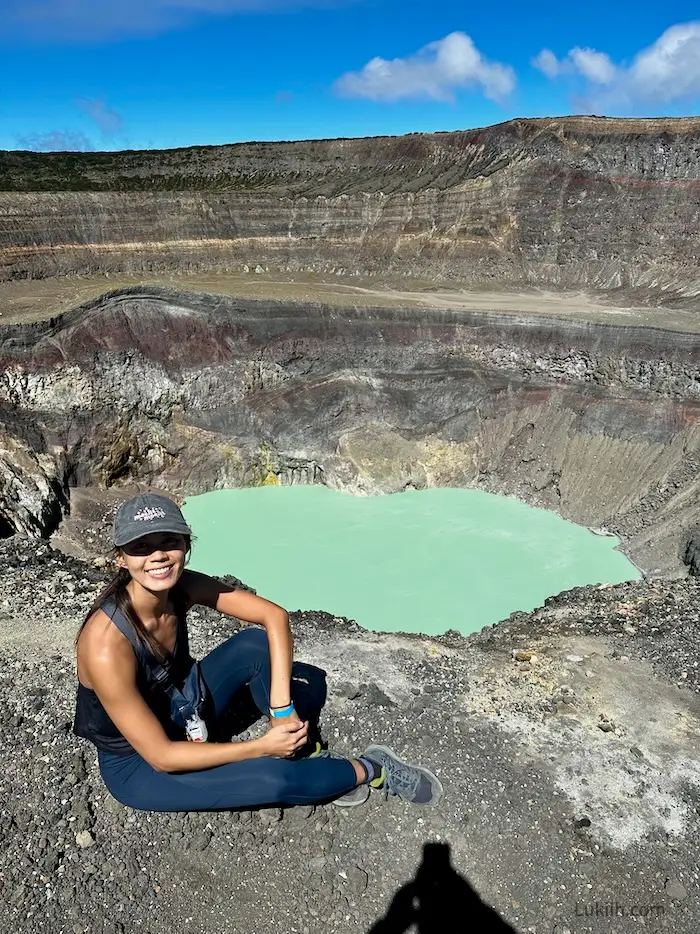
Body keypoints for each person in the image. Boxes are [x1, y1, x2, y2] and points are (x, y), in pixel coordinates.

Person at [73, 492, 443, 812]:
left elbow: (274, 617)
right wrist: (260, 746)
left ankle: (298, 750)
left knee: (254, 644)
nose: (158, 556)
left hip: (180, 707)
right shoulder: (107, 645)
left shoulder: (182, 587)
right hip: (140, 762)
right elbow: (161, 756)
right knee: (275, 780)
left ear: (187, 545)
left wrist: (282, 710)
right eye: (141, 546)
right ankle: (371, 768)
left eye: (169, 541)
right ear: (120, 558)